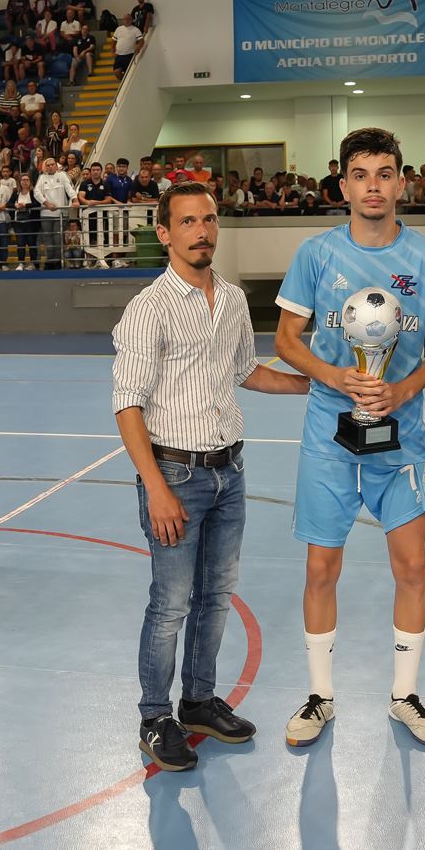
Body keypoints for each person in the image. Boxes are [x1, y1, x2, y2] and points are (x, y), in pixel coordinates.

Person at [274, 127, 425, 748]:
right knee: (320, 567)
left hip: (402, 435)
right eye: (362, 174)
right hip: (329, 433)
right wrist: (336, 377)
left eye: (385, 173)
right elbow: (285, 340)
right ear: (344, 184)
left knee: (411, 567)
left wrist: (403, 391)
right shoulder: (316, 254)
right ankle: (319, 698)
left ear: (401, 181)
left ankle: (404, 695)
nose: (374, 186)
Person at [112, 181, 309, 772]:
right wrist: (156, 487)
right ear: (165, 234)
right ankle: (155, 716)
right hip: (175, 472)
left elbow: (246, 370)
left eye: (210, 220)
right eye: (189, 222)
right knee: (170, 604)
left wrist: (314, 382)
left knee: (215, 598)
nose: (202, 231)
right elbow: (128, 405)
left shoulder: (230, 298)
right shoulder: (148, 309)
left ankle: (197, 701)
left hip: (230, 472)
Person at [112, 13, 144, 81]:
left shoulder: (135, 30)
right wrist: (112, 50)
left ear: (132, 20)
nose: (127, 20)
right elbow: (114, 40)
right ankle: (124, 81)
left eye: (129, 19)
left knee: (129, 73)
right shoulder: (118, 29)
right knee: (116, 72)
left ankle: (127, 85)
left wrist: (138, 47)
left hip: (129, 55)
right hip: (119, 55)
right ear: (123, 20)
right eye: (125, 19)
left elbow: (141, 40)